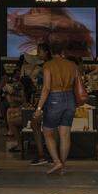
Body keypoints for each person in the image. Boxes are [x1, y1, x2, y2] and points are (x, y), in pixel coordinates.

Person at [34, 43, 82, 175]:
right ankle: (63, 166)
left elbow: (47, 88)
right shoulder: (72, 65)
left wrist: (39, 107)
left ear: (50, 52)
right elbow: (77, 84)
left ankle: (56, 161)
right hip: (70, 99)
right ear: (62, 51)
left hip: (55, 98)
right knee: (65, 134)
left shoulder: (48, 66)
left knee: (47, 132)